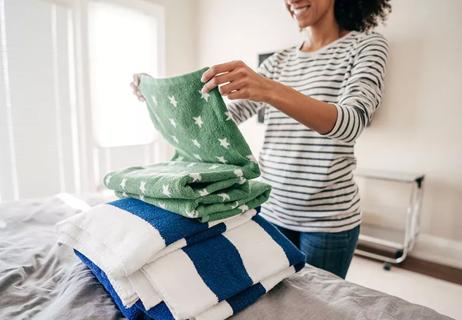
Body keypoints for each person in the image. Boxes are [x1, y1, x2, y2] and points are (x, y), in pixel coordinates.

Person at [131, 0, 391, 279]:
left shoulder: (367, 46)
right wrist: (159, 100)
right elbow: (222, 121)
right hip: (272, 208)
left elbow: (351, 122)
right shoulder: (278, 61)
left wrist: (268, 89)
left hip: (328, 221)